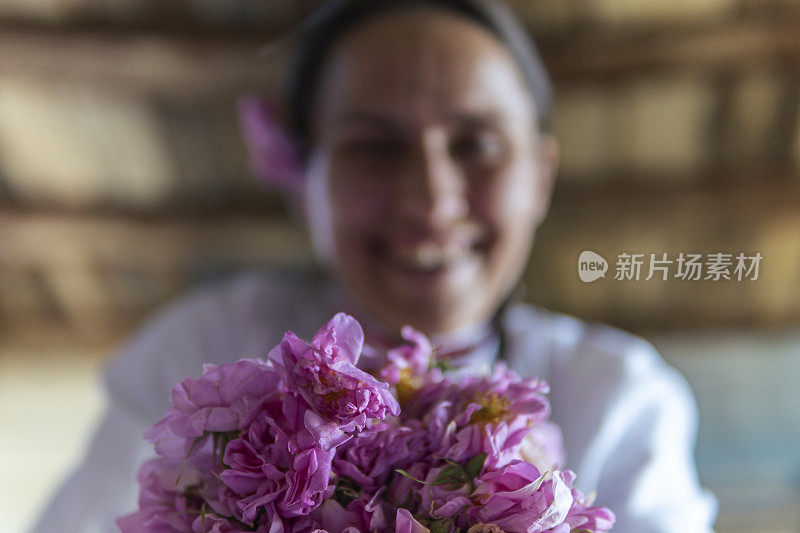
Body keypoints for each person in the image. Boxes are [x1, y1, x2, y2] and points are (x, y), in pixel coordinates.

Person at [34, 1, 717, 531]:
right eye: (375, 147)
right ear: (302, 177)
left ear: (539, 176)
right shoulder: (200, 350)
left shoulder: (620, 397)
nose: (431, 195)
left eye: (476, 143)